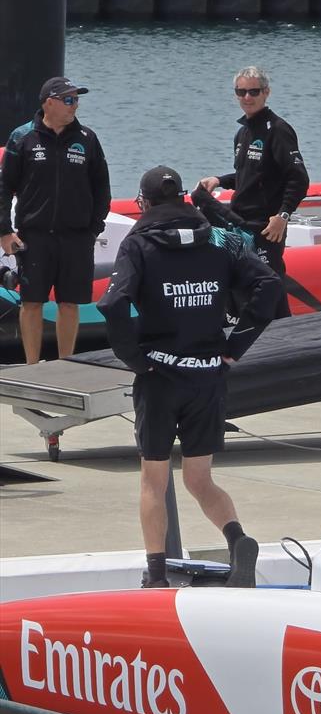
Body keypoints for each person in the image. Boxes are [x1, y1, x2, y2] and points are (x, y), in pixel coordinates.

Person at [97, 166, 284, 589]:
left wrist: (135, 360)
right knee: (200, 478)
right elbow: (269, 285)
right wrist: (235, 348)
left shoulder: (139, 244)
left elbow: (112, 305)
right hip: (208, 376)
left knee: (153, 479)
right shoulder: (218, 238)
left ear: (143, 204)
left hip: (160, 376)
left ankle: (157, 575)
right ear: (183, 198)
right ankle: (237, 540)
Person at [0, 76, 111, 364]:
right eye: (69, 99)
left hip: (76, 237)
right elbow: (4, 187)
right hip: (34, 235)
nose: (75, 105)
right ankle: (32, 366)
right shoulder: (22, 137)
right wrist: (4, 231)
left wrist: (93, 228)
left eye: (77, 99)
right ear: (49, 102)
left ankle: (66, 363)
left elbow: (101, 187)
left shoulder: (87, 138)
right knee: (32, 302)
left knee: (69, 303)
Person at [199, 66, 309, 319]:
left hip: (267, 226)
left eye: (253, 92)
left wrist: (283, 215)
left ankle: (285, 338)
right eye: (241, 92)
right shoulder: (243, 132)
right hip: (241, 225)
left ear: (266, 93)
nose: (247, 97)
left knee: (270, 288)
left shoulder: (278, 130)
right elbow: (249, 176)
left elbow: (299, 178)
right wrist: (219, 180)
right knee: (245, 289)